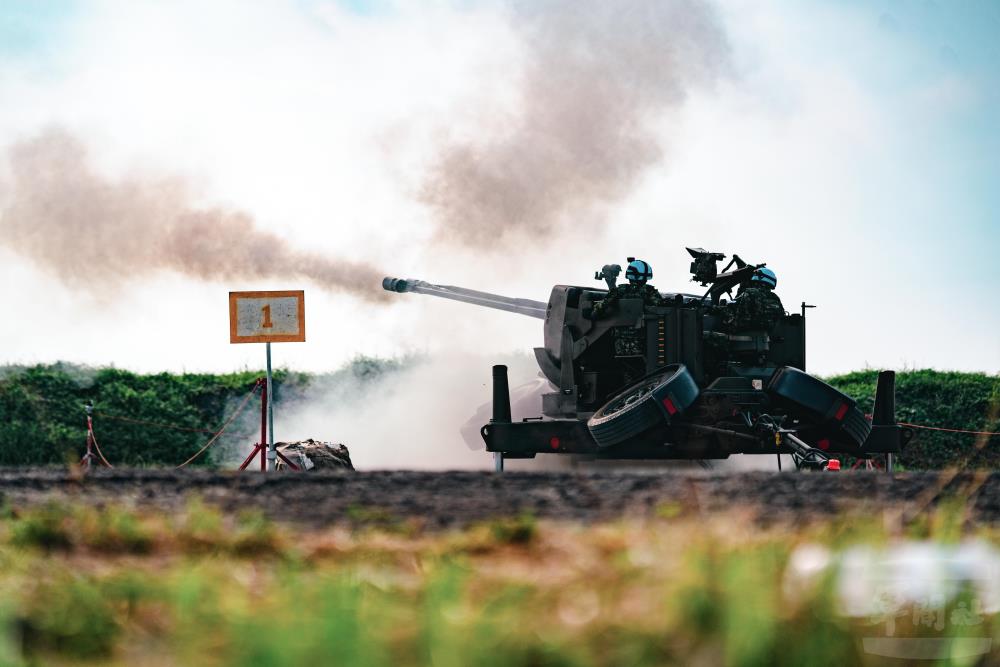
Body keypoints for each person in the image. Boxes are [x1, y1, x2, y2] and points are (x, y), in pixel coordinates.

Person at [590, 258, 663, 320]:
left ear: (629, 275)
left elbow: (596, 312)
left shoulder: (620, 291)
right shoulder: (650, 292)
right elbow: (662, 305)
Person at [723, 267, 785, 332]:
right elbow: (781, 317)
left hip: (745, 336)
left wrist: (726, 310)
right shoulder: (775, 297)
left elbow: (741, 319)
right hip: (765, 337)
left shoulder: (749, 293)